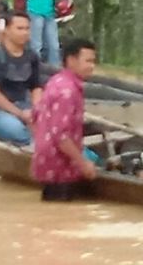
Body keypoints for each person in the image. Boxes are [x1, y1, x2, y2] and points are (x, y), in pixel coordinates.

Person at [32, 39, 98, 201]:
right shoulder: (68, 91)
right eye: (88, 61)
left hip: (48, 160)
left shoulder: (56, 81)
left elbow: (36, 116)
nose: (92, 66)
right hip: (59, 166)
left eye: (93, 61)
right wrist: (84, 164)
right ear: (71, 60)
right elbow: (62, 137)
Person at [0, 12, 42, 145]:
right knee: (17, 131)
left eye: (27, 28)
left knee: (53, 126)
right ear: (7, 30)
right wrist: (19, 114)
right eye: (19, 28)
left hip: (23, 105)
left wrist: (36, 110)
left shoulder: (32, 56)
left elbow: (36, 87)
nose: (25, 33)